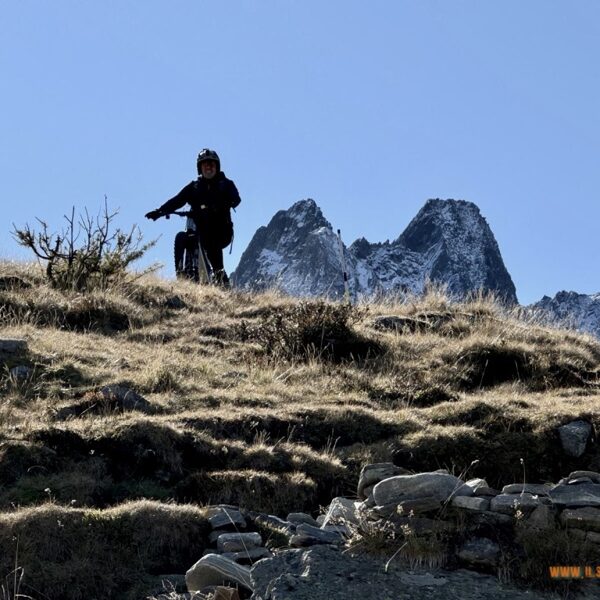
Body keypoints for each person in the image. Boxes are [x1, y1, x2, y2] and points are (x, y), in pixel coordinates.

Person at [145, 149, 241, 286]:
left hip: (221, 230)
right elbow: (178, 200)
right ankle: (182, 273)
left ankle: (219, 274)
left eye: (212, 164)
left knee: (213, 243)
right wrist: (159, 211)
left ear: (217, 167)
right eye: (205, 165)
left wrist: (223, 204)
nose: (209, 167)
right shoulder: (194, 187)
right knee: (182, 236)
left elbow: (236, 199)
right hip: (201, 229)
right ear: (200, 168)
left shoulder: (225, 184)